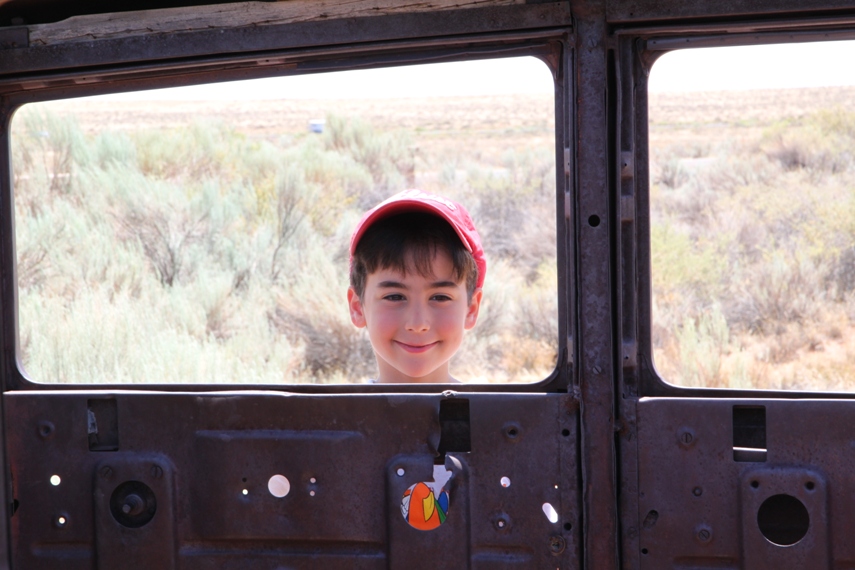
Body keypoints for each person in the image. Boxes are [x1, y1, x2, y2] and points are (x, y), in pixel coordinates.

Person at [347, 189, 487, 384]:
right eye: (394, 297)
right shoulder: (335, 414)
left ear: (471, 308)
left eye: (440, 297)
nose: (417, 324)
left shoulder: (494, 414)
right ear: (357, 307)